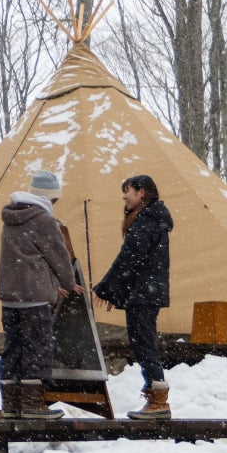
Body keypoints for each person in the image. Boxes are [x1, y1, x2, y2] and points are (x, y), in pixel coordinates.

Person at [0, 169, 76, 419]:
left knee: (13, 348)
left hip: (10, 296)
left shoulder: (10, 217)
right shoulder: (43, 220)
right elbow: (59, 256)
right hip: (34, 296)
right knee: (37, 347)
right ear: (51, 197)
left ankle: (11, 404)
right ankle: (32, 404)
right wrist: (68, 282)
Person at [94, 174, 174, 419]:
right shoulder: (150, 220)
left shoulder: (147, 222)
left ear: (142, 192)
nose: (124, 197)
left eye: (127, 191)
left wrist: (105, 288)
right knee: (142, 344)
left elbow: (128, 260)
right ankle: (156, 395)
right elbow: (135, 264)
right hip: (145, 293)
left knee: (144, 345)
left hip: (144, 295)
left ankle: (158, 400)